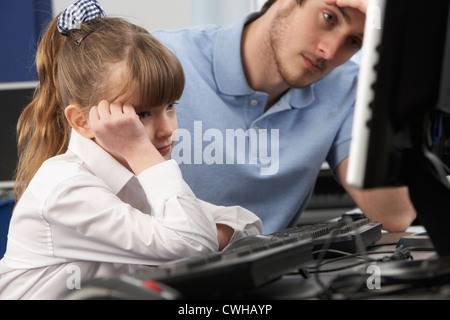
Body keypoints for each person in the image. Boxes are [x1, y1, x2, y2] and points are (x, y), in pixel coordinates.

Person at [0, 0, 261, 300]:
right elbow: (195, 243)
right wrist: (141, 151)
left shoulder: (129, 174)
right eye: (142, 114)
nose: (168, 129)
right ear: (83, 122)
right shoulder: (66, 189)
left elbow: (244, 220)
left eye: (171, 106)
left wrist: (185, 240)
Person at [152, 0, 416, 234]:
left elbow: (395, 216)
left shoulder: (346, 87)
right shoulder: (161, 57)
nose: (330, 51)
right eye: (329, 18)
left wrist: (391, 44)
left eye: (354, 41)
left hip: (268, 281)